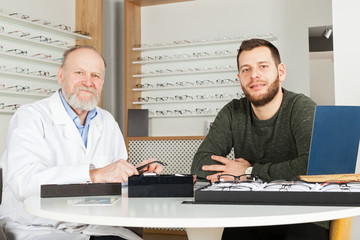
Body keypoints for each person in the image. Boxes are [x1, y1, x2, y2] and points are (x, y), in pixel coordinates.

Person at [0, 45, 162, 240]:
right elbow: (23, 183)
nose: (88, 82)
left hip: (94, 225)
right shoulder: (31, 117)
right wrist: (94, 174)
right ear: (61, 76)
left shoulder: (107, 121)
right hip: (38, 226)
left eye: (96, 75)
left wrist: (138, 175)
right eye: (80, 73)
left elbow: (115, 186)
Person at [191, 39, 329, 240]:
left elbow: (313, 166)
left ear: (280, 72)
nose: (254, 75)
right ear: (239, 78)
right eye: (246, 69)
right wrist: (242, 173)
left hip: (303, 213)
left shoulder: (301, 108)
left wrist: (249, 171)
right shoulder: (233, 112)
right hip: (250, 212)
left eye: (263, 66)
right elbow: (200, 164)